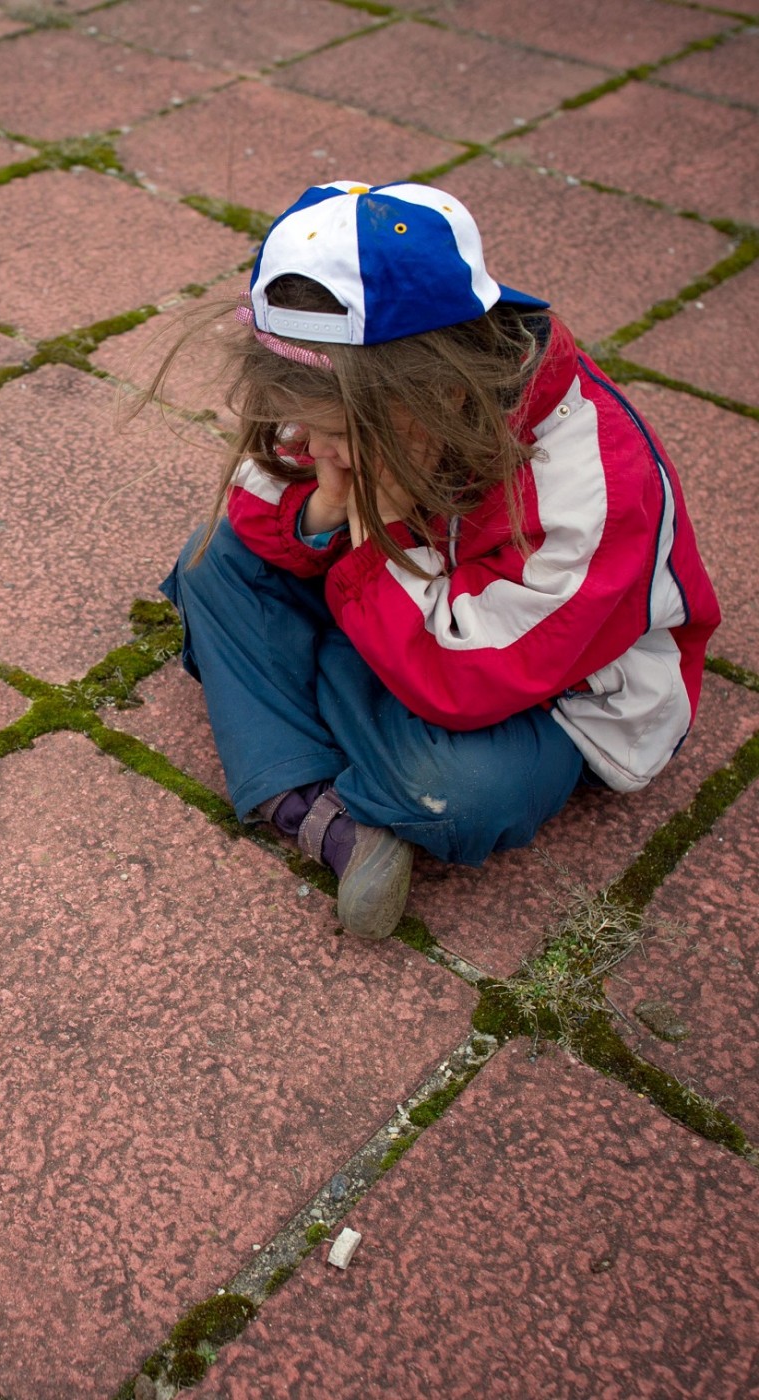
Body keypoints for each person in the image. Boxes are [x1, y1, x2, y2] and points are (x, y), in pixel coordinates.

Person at [154, 180, 719, 940]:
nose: (314, 445)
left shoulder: (591, 485)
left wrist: (382, 519)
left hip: (543, 692)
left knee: (457, 792)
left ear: (444, 394)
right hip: (404, 620)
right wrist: (327, 505)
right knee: (210, 564)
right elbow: (258, 501)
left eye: (336, 434)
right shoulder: (342, 378)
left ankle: (287, 742)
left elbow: (465, 683)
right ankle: (322, 809)